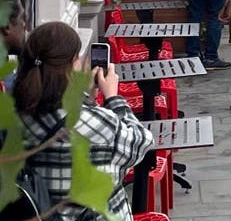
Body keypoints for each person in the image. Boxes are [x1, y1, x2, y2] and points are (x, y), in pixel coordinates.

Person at [14, 22, 154, 221]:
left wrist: (86, 98)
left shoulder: (14, 117)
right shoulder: (95, 123)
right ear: (73, 63)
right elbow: (142, 141)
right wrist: (113, 99)